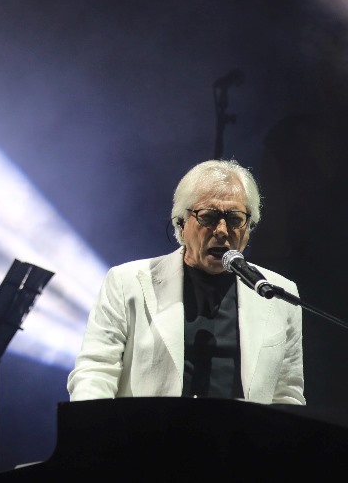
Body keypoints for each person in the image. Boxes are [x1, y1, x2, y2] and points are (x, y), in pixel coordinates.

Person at [67, 159, 305, 404]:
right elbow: (95, 371)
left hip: (242, 430)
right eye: (208, 217)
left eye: (235, 219)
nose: (222, 230)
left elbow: (287, 393)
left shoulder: (278, 293)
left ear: (249, 228)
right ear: (181, 224)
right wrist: (91, 424)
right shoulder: (127, 282)